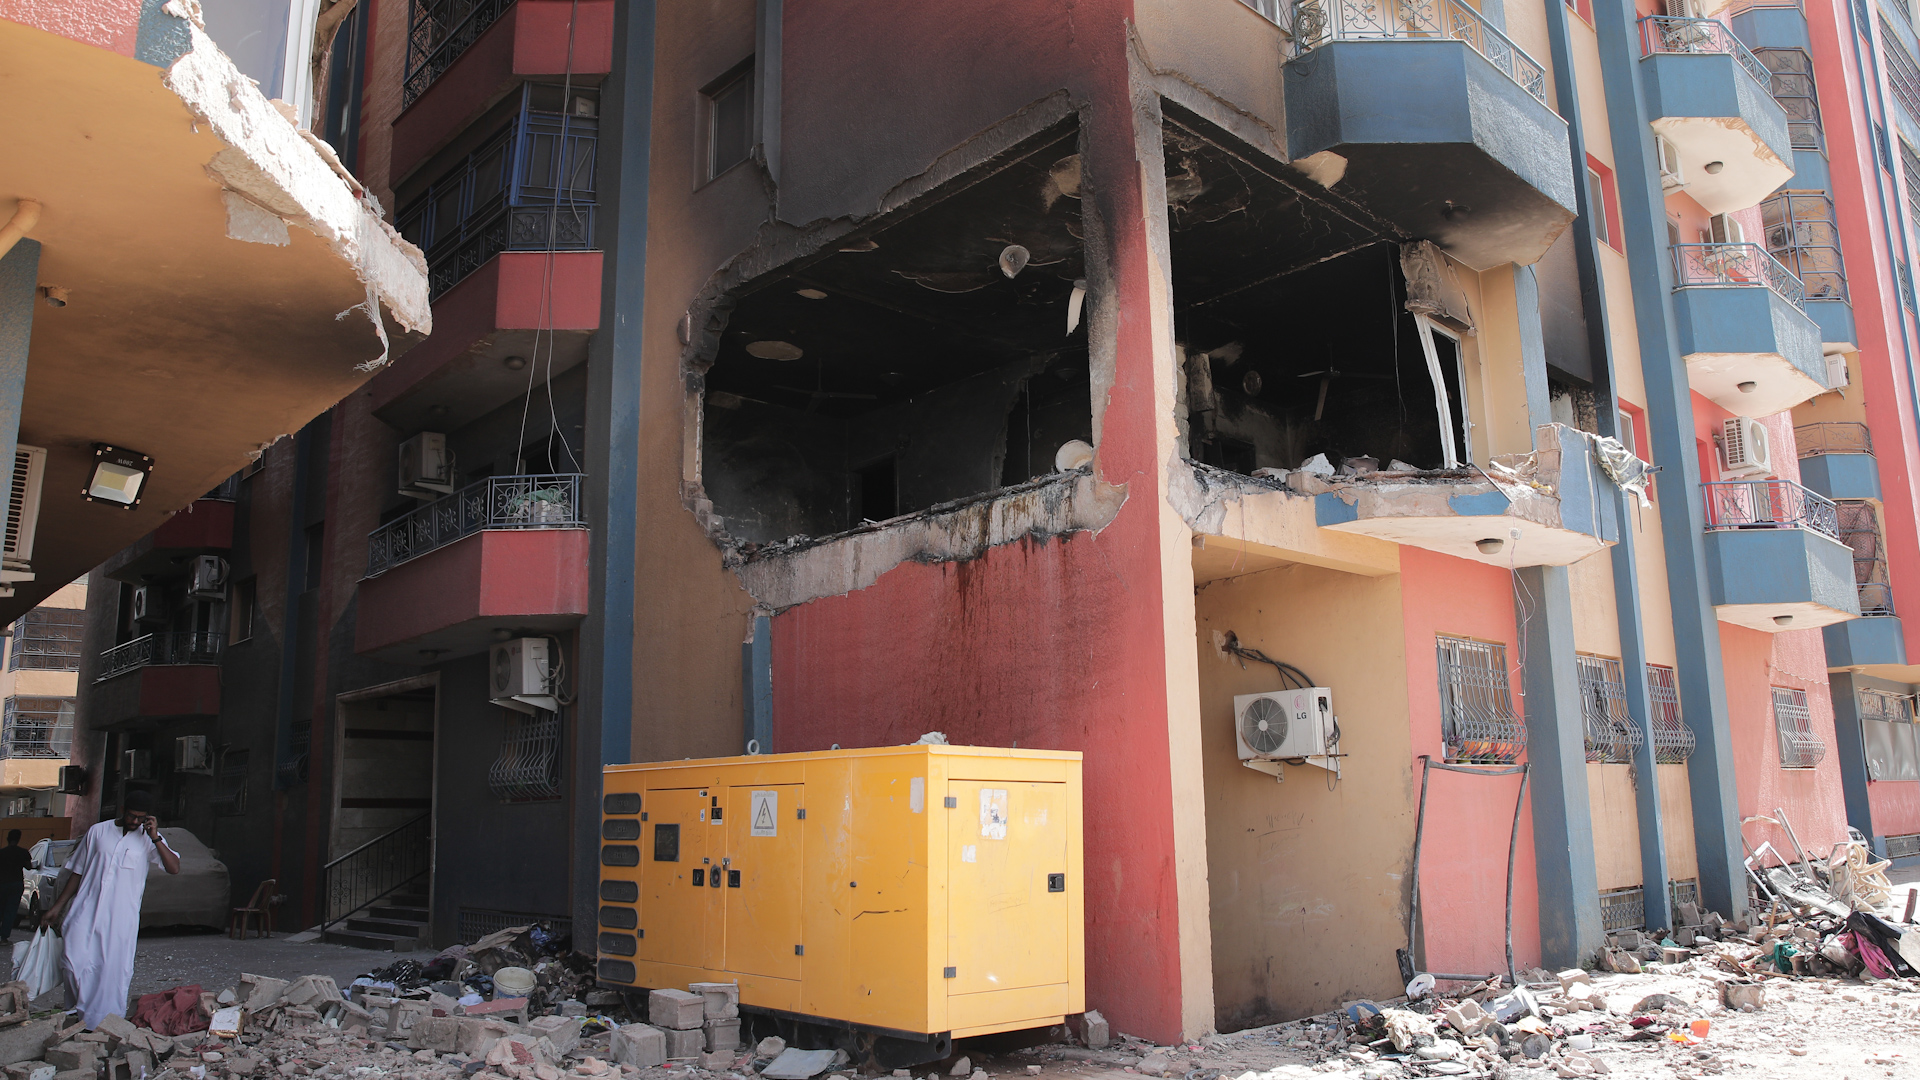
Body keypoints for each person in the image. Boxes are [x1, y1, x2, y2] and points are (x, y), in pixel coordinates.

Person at [42, 791, 179, 1027]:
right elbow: (77, 871)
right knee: (72, 960)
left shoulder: (148, 838)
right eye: (132, 816)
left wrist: (155, 836)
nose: (135, 822)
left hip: (121, 916)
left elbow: (174, 867)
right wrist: (57, 907)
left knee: (110, 970)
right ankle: (80, 1009)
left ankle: (101, 1023)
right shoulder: (98, 831)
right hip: (85, 907)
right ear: (123, 809)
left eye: (141, 818)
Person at [0, 831, 32, 943]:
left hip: (2, 884)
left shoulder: (2, 852)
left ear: (7, 839)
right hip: (16, 884)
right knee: (11, 910)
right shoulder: (23, 852)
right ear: (18, 839)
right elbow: (29, 866)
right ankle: (4, 937)